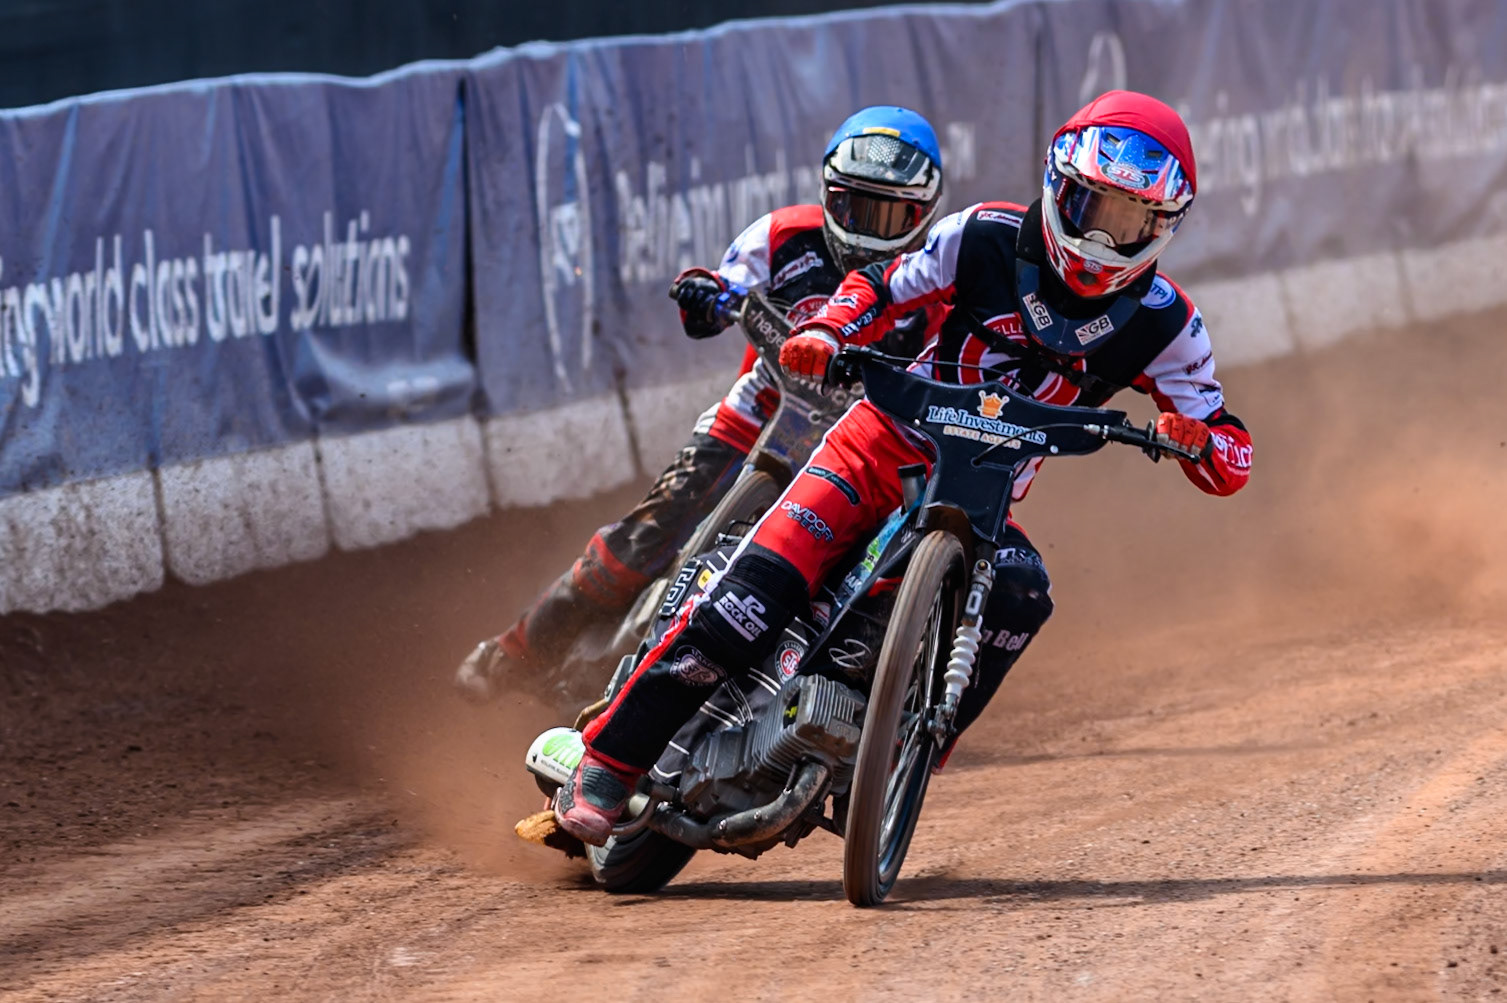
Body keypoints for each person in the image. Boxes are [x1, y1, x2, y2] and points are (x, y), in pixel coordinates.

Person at [554, 89, 1256, 845]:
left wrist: (1201, 441)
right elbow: (882, 285)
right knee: (747, 604)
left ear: (1163, 226)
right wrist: (825, 327)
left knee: (1023, 596)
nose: (1102, 237)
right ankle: (610, 758)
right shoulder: (981, 235)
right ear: (1058, 187)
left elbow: (1229, 448)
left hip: (981, 494)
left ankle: (909, 747)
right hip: (875, 445)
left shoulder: (1169, 322)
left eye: (1130, 221)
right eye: (1092, 206)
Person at [454, 106, 947, 709]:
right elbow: (724, 285)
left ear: (923, 216)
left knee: (855, 579)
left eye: (888, 213)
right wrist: (706, 296)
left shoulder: (940, 285)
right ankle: (517, 649)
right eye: (851, 207)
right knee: (647, 537)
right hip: (757, 417)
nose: (866, 229)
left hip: (863, 452)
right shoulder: (785, 237)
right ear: (826, 195)